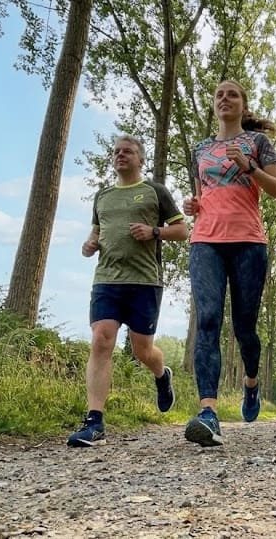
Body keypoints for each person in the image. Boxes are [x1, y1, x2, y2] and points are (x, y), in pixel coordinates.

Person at [182, 80, 276, 447]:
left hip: (248, 242)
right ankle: (208, 412)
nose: (224, 99)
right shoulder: (201, 148)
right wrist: (192, 206)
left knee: (245, 328)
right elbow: (201, 193)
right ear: (214, 105)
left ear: (243, 105)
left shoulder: (258, 144)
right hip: (205, 240)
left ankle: (252, 383)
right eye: (219, 95)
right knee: (207, 320)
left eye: (232, 94)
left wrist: (250, 169)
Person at [67, 134, 189, 447]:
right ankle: (94, 421)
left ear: (141, 159)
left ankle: (162, 375)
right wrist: (89, 245)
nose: (121, 155)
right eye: (116, 151)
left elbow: (182, 229)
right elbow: (95, 234)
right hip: (107, 279)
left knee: (141, 351)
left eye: (128, 151)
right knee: (101, 339)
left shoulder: (155, 192)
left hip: (145, 281)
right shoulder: (103, 196)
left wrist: (154, 231)